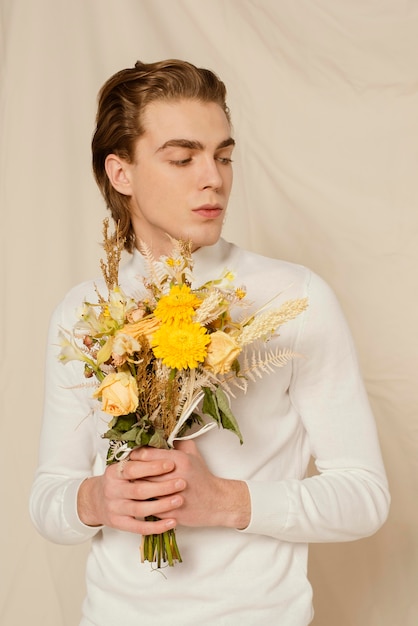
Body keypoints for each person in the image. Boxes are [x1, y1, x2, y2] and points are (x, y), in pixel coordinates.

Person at [29, 59, 390, 626]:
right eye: (182, 157)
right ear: (120, 173)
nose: (213, 178)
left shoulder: (294, 297)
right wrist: (97, 499)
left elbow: (365, 497)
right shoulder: (81, 312)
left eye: (222, 156)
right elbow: (48, 497)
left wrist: (227, 501)